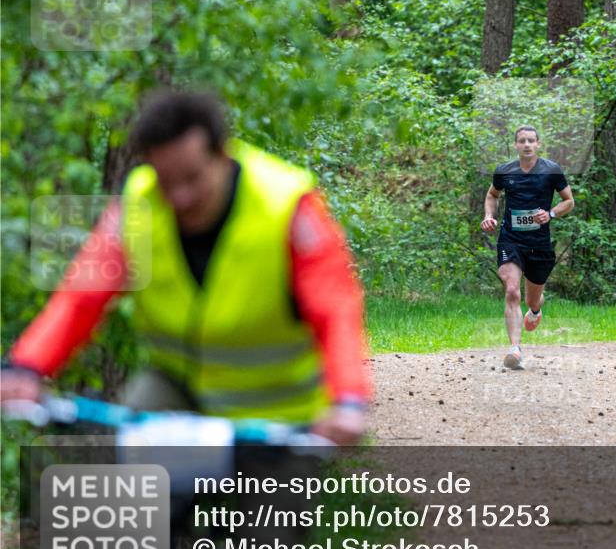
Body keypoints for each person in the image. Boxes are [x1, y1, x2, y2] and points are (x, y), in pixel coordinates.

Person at [1, 89, 373, 443]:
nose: (179, 197)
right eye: (166, 182)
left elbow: (335, 307)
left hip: (277, 409)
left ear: (223, 156)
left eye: (193, 178)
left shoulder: (286, 203)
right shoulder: (138, 205)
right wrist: (27, 367)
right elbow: (81, 296)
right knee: (137, 480)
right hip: (177, 388)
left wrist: (348, 400)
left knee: (272, 509)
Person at [481, 126, 574, 369]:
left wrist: (550, 214)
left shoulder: (551, 170)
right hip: (511, 239)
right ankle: (515, 350)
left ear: (538, 144)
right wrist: (489, 215)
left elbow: (569, 201)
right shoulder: (504, 171)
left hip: (539, 244)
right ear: (515, 145)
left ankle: (534, 310)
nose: (527, 144)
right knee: (512, 290)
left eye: (531, 140)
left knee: (533, 299)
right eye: (522, 141)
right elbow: (492, 195)